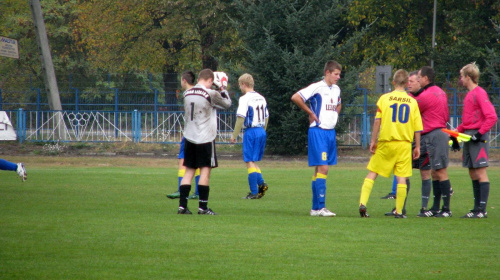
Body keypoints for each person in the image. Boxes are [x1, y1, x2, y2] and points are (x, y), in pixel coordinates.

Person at [358, 69, 423, 218]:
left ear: (393, 82)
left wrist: (373, 140)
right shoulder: (412, 102)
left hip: (386, 142)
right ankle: (399, 212)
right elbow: (418, 127)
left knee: (372, 173)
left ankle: (363, 203)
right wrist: (417, 146)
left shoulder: (384, 98)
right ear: (407, 84)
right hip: (404, 144)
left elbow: (377, 121)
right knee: (402, 177)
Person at [291, 60, 342, 217]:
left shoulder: (336, 89)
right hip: (318, 131)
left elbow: (339, 104)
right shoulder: (317, 87)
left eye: (339, 74)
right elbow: (296, 97)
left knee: (319, 169)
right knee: (324, 168)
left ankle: (315, 208)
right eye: (336, 74)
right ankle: (321, 207)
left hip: (329, 132)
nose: (338, 77)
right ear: (327, 72)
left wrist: (334, 115)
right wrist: (310, 113)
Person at [177, 69, 232, 215]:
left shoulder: (186, 93)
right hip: (205, 138)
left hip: (189, 136)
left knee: (189, 171)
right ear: (209, 80)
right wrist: (222, 87)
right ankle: (203, 208)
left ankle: (182, 206)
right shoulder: (211, 93)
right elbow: (227, 104)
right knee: (205, 172)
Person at [456, 63, 498, 218]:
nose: (461, 80)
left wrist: (479, 134)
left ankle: (482, 210)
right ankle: (476, 208)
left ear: (468, 77)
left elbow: (491, 116)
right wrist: (458, 131)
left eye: (462, 76)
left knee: (480, 172)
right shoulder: (469, 95)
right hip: (468, 135)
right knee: (472, 172)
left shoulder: (479, 93)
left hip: (477, 138)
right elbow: (468, 120)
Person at [412, 66, 454, 218]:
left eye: (418, 77)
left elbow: (412, 106)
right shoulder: (440, 92)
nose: (417, 79)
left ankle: (446, 209)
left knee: (440, 171)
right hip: (439, 132)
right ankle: (436, 208)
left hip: (434, 134)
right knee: (435, 172)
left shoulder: (427, 94)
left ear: (425, 78)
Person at [230, 73, 269, 199]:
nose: (240, 88)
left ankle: (254, 192)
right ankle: (262, 185)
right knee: (253, 160)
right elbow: (267, 117)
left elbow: (241, 118)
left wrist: (234, 135)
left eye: (240, 85)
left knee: (248, 161)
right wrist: (263, 131)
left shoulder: (244, 98)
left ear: (243, 84)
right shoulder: (261, 98)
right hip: (261, 130)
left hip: (251, 131)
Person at [167, 71, 200, 200]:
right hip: (200, 133)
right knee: (197, 162)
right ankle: (197, 191)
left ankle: (182, 189)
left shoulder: (187, 94)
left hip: (190, 133)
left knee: (183, 159)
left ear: (184, 80)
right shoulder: (200, 92)